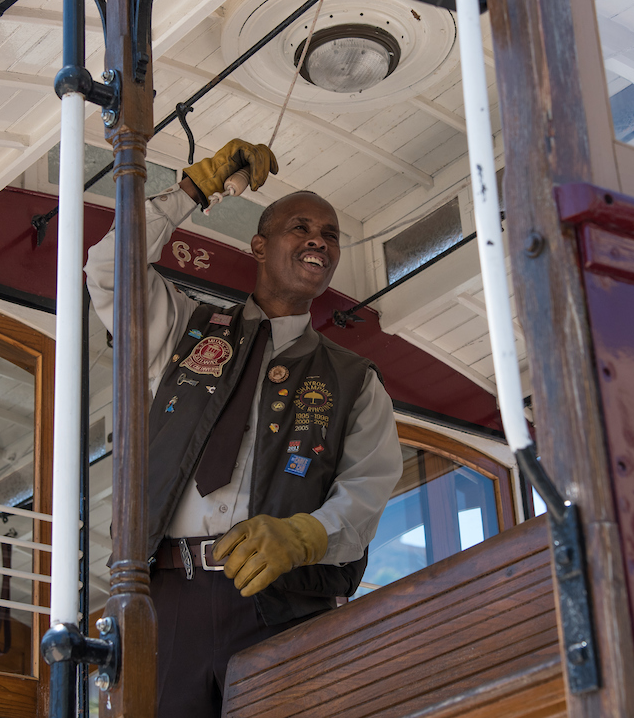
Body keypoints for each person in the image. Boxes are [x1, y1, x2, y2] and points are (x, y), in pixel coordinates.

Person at [85, 139, 402, 717]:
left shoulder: (354, 380)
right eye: (300, 227)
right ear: (258, 245)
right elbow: (107, 270)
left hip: (283, 601)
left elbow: (367, 491)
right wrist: (193, 190)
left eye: (330, 235)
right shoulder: (185, 331)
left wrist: (305, 535)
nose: (318, 240)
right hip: (167, 595)